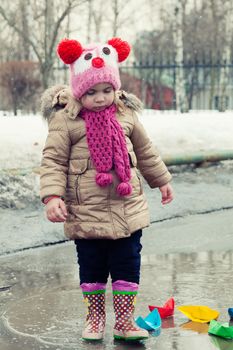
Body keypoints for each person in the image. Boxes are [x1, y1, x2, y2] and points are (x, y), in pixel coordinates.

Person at [40, 37, 174, 342]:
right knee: (92, 267)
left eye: (106, 90)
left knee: (128, 263)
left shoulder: (126, 114)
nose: (100, 98)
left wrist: (162, 181)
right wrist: (52, 196)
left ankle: (125, 321)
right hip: (86, 211)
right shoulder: (66, 120)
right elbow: (53, 161)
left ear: (116, 88)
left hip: (128, 208)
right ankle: (95, 317)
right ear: (78, 90)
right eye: (91, 92)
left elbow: (146, 151)